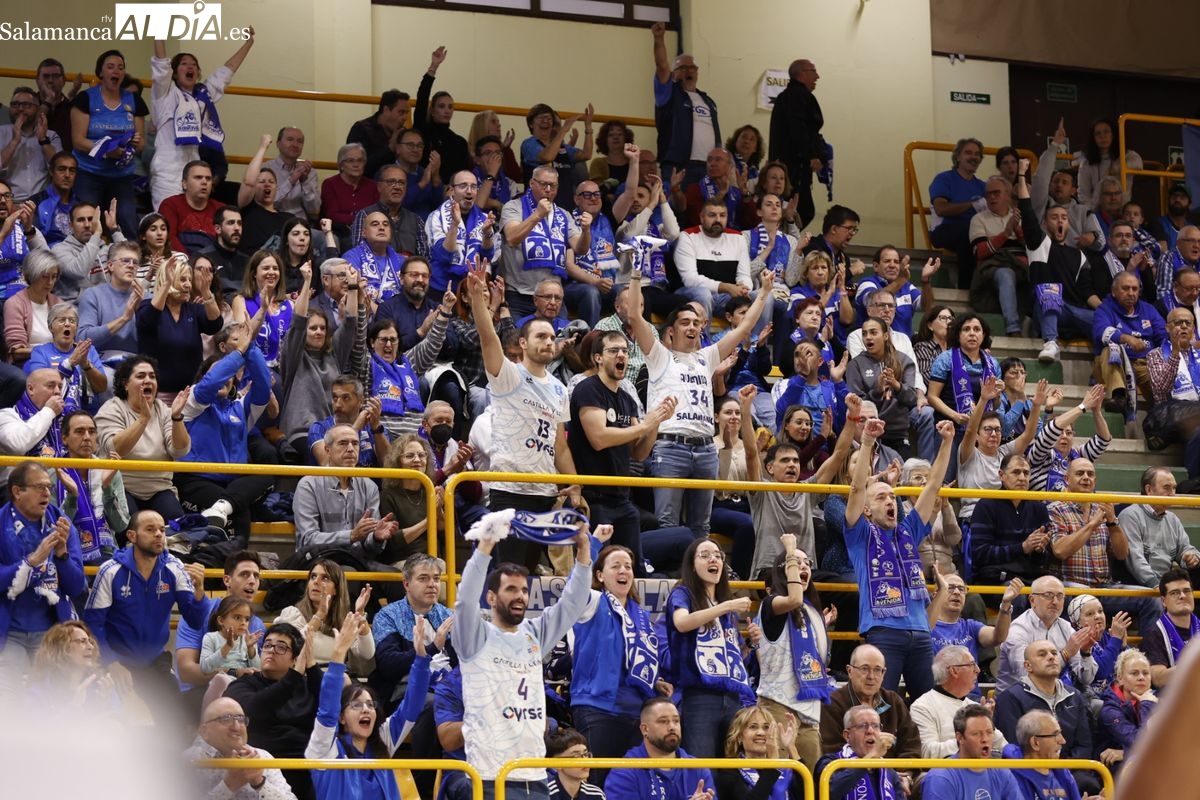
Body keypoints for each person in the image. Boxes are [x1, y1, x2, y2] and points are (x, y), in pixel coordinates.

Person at [453, 511, 592, 800]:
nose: (520, 596)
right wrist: (485, 546)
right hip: (490, 776)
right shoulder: (474, 636)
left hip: (534, 773)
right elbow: (465, 599)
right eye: (511, 589)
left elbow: (572, 604)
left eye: (524, 590)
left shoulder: (533, 634)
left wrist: (583, 551)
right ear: (491, 598)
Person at [627, 267, 772, 537]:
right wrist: (636, 275)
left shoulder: (707, 357)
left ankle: (700, 578)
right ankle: (669, 578)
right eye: (685, 322)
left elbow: (745, 327)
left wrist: (763, 292)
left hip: (706, 449)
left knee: (701, 528)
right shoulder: (660, 355)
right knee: (667, 524)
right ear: (670, 331)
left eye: (696, 323)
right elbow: (635, 315)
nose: (692, 327)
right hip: (670, 447)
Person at [462, 260, 583, 569]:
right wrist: (479, 300)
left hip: (545, 491)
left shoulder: (559, 388)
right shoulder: (509, 376)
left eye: (551, 337)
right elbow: (489, 339)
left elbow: (561, 446)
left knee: (533, 580)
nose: (547, 342)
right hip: (510, 490)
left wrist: (575, 485)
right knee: (508, 574)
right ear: (523, 343)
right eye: (540, 337)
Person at [843, 410, 956, 700]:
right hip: (883, 632)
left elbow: (932, 486)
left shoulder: (909, 530)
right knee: (879, 705)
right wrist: (867, 442)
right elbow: (857, 488)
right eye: (880, 497)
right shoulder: (860, 534)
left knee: (924, 708)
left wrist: (946, 443)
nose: (890, 500)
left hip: (920, 634)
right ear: (866, 510)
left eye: (892, 496)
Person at [570, 328, 675, 574]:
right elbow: (599, 438)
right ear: (598, 358)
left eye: (626, 351)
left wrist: (656, 422)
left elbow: (638, 453)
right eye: (614, 350)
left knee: (632, 569)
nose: (622, 356)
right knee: (595, 569)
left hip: (622, 499)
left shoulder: (627, 399)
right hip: (594, 497)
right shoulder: (588, 389)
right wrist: (646, 425)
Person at [567, 542, 669, 786]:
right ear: (600, 575)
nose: (624, 571)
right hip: (597, 708)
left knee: (632, 786)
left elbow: (634, 659)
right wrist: (591, 543)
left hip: (635, 713)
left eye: (628, 566)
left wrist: (655, 681)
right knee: (595, 785)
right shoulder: (592, 603)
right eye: (615, 566)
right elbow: (574, 588)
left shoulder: (640, 615)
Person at [306, 611, 431, 800]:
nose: (366, 709)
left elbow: (411, 707)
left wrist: (421, 658)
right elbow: (326, 711)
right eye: (356, 705)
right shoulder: (325, 747)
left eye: (370, 705)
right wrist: (339, 654)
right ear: (341, 717)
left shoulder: (383, 740)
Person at [83, 509, 207, 692]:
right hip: (116, 659)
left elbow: (195, 621)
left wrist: (199, 591)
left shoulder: (175, 568)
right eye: (150, 529)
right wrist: (111, 662)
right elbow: (92, 624)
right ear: (132, 536)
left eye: (161, 530)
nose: (158, 534)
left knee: (175, 712)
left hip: (155, 660)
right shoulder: (110, 570)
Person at [176, 319, 275, 546]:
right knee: (239, 512)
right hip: (197, 480)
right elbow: (211, 382)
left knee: (267, 475)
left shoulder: (240, 408)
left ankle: (223, 508)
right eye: (219, 373)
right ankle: (232, 566)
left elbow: (262, 386)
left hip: (233, 482)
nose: (223, 379)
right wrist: (238, 351)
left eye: (228, 376)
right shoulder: (193, 403)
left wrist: (250, 347)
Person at [743, 387, 857, 579]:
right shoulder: (762, 490)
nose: (792, 465)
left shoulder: (807, 489)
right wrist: (745, 410)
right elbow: (751, 454)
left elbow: (838, 455)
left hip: (806, 571)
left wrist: (853, 417)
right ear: (770, 468)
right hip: (770, 572)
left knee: (842, 588)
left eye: (796, 461)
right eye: (785, 461)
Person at [664, 537, 757, 759]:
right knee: (703, 768)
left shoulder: (724, 604)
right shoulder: (683, 593)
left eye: (718, 555)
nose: (713, 559)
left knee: (733, 770)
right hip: (699, 695)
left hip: (732, 696)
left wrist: (749, 645)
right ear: (692, 566)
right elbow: (682, 623)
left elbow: (732, 659)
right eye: (705, 555)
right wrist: (727, 606)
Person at [1048, 457, 1161, 638]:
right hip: (1072, 587)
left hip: (1105, 587)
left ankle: (1151, 659)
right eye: (1080, 474)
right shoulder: (1056, 508)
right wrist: (1092, 524)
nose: (1086, 477)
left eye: (1090, 474)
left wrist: (1113, 522)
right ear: (1067, 480)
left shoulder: (1101, 508)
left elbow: (1122, 554)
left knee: (1152, 599)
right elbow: (1060, 551)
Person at [0, 460, 86, 694]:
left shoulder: (62, 524)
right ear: (18, 491)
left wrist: (62, 555)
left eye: (49, 487)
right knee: (8, 705)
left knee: (52, 704)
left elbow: (77, 586)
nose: (47, 493)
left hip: (50, 633)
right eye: (39, 487)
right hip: (8, 634)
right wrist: (31, 562)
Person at [753, 534, 834, 771]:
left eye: (807, 563)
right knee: (778, 779)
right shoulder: (771, 603)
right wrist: (789, 550)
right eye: (796, 563)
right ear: (783, 571)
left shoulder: (814, 613)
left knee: (809, 783)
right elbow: (794, 598)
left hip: (809, 710)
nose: (803, 567)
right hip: (777, 704)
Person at [150, 33, 256, 209]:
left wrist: (249, 43)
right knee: (166, 223)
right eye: (184, 64)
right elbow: (161, 63)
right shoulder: (165, 94)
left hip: (195, 172)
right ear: (174, 73)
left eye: (194, 65)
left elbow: (226, 72)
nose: (190, 67)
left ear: (198, 73)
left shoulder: (204, 95)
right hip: (167, 172)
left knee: (193, 222)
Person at [223, 622, 323, 800]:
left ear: (295, 659)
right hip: (259, 772)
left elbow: (330, 705)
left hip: (307, 770)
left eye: (281, 647)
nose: (271, 650)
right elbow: (253, 710)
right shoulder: (244, 684)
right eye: (267, 645)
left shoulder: (306, 687)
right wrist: (295, 675)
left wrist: (311, 664)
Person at [278, 260, 363, 458]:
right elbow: (297, 322)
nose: (318, 332)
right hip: (301, 432)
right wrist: (307, 281)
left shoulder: (334, 355)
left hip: (332, 431)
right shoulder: (294, 358)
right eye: (313, 328)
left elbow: (350, 323)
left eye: (323, 328)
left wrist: (352, 286)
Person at [94, 356, 191, 524]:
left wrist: (176, 418)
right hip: (122, 486)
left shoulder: (163, 409)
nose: (148, 380)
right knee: (130, 527)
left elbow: (180, 450)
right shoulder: (112, 408)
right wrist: (143, 419)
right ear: (125, 384)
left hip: (159, 488)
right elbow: (115, 449)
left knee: (177, 528)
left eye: (152, 376)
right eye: (141, 376)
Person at [993, 640, 1097, 794]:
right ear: (1027, 666)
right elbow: (1014, 747)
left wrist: (1062, 767)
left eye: (1054, 653)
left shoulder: (1074, 695)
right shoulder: (1010, 698)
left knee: (1089, 784)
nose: (1051, 657)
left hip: (1070, 768)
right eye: (1042, 654)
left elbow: (1084, 744)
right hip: (1028, 770)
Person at [69, 51, 146, 238]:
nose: (116, 71)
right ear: (100, 72)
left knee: (127, 222)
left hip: (121, 175)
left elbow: (141, 143)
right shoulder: (85, 99)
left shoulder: (134, 100)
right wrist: (106, 151)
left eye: (120, 67)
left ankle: (130, 263)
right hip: (90, 173)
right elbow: (78, 141)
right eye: (110, 67)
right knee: (87, 223)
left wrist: (131, 146)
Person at [498, 163, 585, 320]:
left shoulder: (563, 215)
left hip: (552, 296)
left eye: (553, 186)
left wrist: (586, 230)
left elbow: (581, 248)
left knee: (559, 341)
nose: (548, 190)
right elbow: (511, 237)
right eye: (544, 184)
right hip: (519, 295)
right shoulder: (513, 207)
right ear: (532, 183)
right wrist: (537, 215)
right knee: (517, 342)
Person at [174, 550, 265, 696]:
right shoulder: (199, 613)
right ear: (227, 580)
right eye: (244, 574)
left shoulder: (258, 625)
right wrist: (233, 673)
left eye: (256, 576)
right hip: (197, 691)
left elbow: (258, 670)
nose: (252, 581)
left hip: (241, 692)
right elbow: (186, 671)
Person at [370, 553, 452, 707]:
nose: (432, 584)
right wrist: (431, 649)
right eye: (423, 578)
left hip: (448, 686)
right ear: (406, 584)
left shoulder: (448, 615)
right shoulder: (388, 616)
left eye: (436, 578)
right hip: (404, 690)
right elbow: (388, 665)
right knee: (440, 704)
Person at [50, 410, 127, 566]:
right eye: (79, 431)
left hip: (107, 553)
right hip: (66, 553)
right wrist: (72, 496)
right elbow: (53, 531)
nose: (86, 437)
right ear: (64, 438)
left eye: (91, 432)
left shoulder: (110, 470)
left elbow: (121, 525)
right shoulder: (52, 473)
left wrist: (107, 488)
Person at [185, 695, 298, 800]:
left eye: (240, 719)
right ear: (204, 731)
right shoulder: (189, 761)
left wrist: (259, 782)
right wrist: (229, 785)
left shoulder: (263, 757)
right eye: (226, 719)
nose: (236, 727)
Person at [818, 643, 922, 757]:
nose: (871, 676)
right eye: (864, 669)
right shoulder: (832, 703)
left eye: (877, 670)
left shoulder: (893, 701)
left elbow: (911, 744)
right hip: (853, 773)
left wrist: (905, 772)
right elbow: (833, 753)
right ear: (849, 671)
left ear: (884, 673)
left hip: (897, 772)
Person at [651, 22, 720, 189]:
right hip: (679, 167)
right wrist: (659, 39)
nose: (689, 71)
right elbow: (661, 66)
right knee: (676, 211)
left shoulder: (709, 101)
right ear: (674, 73)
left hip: (708, 169)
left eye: (692, 68)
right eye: (683, 68)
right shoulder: (669, 95)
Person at [604, 696, 716, 800]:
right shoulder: (624, 772)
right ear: (645, 729)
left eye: (676, 721)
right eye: (663, 721)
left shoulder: (698, 770)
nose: (672, 727)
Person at [276, 558, 376, 673]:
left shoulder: (343, 620)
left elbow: (367, 653)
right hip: (302, 677)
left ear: (336, 590)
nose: (316, 582)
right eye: (313, 577)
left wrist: (360, 614)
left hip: (333, 677)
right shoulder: (292, 613)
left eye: (325, 578)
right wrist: (319, 615)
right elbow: (294, 647)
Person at [969, 453, 1054, 585]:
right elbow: (981, 554)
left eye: (1026, 473)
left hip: (1031, 576)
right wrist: (1022, 548)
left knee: (1057, 592)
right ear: (1002, 475)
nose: (1022, 478)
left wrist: (1039, 550)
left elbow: (1045, 560)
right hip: (996, 578)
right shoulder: (985, 505)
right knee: (1015, 593)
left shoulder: (1039, 508)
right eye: (1016, 472)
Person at [910, 647, 1008, 757]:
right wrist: (969, 737)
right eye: (971, 664)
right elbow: (927, 751)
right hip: (945, 771)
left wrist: (987, 723)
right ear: (954, 671)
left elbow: (1003, 747)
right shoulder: (922, 707)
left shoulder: (973, 706)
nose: (978, 670)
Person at [927, 571, 1020, 684]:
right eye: (950, 588)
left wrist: (1006, 604)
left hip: (970, 697)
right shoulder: (926, 626)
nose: (957, 592)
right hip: (937, 694)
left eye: (961, 589)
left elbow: (998, 636)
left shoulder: (970, 626)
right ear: (936, 594)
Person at [1093, 271, 1164, 411]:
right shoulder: (1104, 309)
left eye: (1135, 289)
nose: (1131, 293)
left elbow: (1162, 334)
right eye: (1125, 288)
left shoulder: (1148, 309)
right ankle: (1118, 397)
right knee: (1110, 350)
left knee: (1166, 381)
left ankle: (1162, 411)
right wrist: (1125, 338)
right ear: (1114, 291)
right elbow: (1100, 331)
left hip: (1146, 364)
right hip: (1118, 365)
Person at [920, 704, 1020, 800]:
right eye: (976, 734)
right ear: (959, 737)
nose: (985, 739)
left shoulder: (1002, 773)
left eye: (989, 732)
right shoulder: (941, 777)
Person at [1119, 468, 1200, 587]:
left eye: (1174, 488)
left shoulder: (1172, 519)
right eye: (1167, 488)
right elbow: (1136, 562)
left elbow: (1185, 548)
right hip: (1142, 585)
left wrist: (1191, 557)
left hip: (1167, 585)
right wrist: (1160, 589)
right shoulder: (1130, 516)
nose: (1173, 494)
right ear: (1149, 490)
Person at [768, 59, 825, 228]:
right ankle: (785, 238)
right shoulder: (798, 96)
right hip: (795, 166)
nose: (817, 76)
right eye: (813, 71)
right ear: (802, 74)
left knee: (801, 208)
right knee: (803, 208)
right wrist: (812, 154)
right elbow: (799, 128)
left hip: (791, 164)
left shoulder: (788, 97)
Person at [814, 705, 911, 800]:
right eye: (862, 726)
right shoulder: (830, 763)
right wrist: (871, 757)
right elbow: (831, 791)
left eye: (875, 726)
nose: (870, 731)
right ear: (847, 736)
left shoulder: (889, 771)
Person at [426, 170, 499, 294]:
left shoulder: (484, 218)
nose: (469, 191)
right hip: (442, 287)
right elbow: (443, 255)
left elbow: (487, 256)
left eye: (474, 187)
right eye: (463, 186)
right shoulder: (436, 217)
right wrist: (454, 225)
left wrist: (487, 232)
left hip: (473, 289)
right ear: (451, 190)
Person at [26, 303, 106, 412]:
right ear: (50, 327)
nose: (67, 324)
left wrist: (86, 365)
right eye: (62, 320)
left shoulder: (88, 350)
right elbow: (40, 385)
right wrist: (70, 362)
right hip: (55, 414)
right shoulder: (40, 352)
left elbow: (102, 387)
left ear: (76, 328)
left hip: (88, 416)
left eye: (72, 321)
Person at [77, 240, 143, 373]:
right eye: (125, 261)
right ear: (111, 266)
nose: (131, 266)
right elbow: (82, 338)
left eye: (135, 262)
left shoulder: (145, 298)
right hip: (100, 362)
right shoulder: (93, 294)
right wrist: (124, 318)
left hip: (137, 365)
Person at [929, 138, 985, 289]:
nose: (973, 157)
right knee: (968, 231)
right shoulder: (944, 179)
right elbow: (941, 209)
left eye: (977, 154)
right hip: (944, 230)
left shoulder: (982, 186)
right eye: (968, 153)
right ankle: (965, 288)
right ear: (958, 156)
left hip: (973, 233)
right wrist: (972, 205)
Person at [714, 704, 803, 800]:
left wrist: (791, 748)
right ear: (739, 736)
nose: (761, 733)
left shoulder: (786, 770)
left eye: (766, 727)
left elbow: (807, 795)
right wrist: (772, 763)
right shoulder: (729, 774)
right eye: (753, 727)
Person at [1009, 709, 1094, 800]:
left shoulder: (1062, 771)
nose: (1063, 741)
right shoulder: (1012, 777)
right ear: (1035, 742)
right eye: (1055, 735)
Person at [1095, 648, 1156, 772]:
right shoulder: (1110, 710)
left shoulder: (1158, 700)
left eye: (1145, 673)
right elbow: (1139, 742)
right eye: (1134, 673)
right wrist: (1148, 705)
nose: (1141, 678)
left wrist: (1124, 753)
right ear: (1120, 678)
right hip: (1118, 770)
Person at [352, 164, 429, 260]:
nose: (397, 187)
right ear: (379, 186)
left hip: (409, 271)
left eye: (401, 183)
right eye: (391, 182)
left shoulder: (415, 219)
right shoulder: (366, 215)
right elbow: (359, 253)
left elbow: (424, 257)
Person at [0, 86, 61, 204]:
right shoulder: (1, 132)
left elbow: (59, 167)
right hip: (8, 203)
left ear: (38, 109)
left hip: (42, 203)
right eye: (15, 105)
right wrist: (14, 141)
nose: (20, 109)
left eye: (26, 105)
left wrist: (43, 140)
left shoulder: (51, 135)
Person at [4, 249, 64, 366]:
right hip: (28, 361)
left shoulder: (59, 304)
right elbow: (16, 352)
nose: (50, 282)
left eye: (54, 276)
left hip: (58, 360)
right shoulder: (14, 304)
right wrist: (49, 353)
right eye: (45, 276)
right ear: (31, 275)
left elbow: (68, 340)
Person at [1142, 566, 1199, 688]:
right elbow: (1158, 678)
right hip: (1176, 700)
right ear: (1163, 601)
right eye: (1174, 593)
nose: (1182, 596)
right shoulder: (1155, 633)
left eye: (1187, 591)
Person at [158, 160, 225, 254]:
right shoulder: (170, 205)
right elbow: (168, 238)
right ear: (184, 184)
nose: (204, 182)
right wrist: (191, 262)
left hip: (214, 262)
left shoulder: (221, 209)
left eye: (208, 179)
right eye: (198, 177)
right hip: (181, 262)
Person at [1077, 118, 1143, 210]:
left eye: (1106, 132)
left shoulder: (1128, 155)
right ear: (1093, 138)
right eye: (1098, 133)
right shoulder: (1087, 162)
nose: (1102, 136)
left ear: (1113, 135)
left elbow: (1138, 165)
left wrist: (1114, 170)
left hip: (1122, 211)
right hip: (1097, 212)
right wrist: (1092, 213)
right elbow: (1083, 194)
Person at [347, 89, 410, 178]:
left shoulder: (402, 132)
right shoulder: (361, 129)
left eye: (406, 113)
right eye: (401, 112)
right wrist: (390, 149)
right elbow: (359, 166)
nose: (405, 118)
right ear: (386, 109)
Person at [267, 126, 320, 220]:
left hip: (301, 226)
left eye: (299, 141)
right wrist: (291, 181)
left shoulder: (309, 172)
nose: (295, 144)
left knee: (324, 235)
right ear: (278, 144)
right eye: (290, 139)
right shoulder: (267, 169)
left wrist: (305, 182)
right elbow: (267, 203)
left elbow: (314, 209)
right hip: (273, 222)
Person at [199, 596, 262, 676]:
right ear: (221, 620)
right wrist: (227, 646)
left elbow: (258, 669)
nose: (243, 623)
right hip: (220, 682)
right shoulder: (210, 638)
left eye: (247, 619)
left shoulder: (248, 640)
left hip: (243, 683)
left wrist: (250, 648)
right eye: (237, 617)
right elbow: (205, 668)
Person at [32, 151, 79, 246]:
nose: (67, 175)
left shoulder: (80, 205)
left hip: (77, 253)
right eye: (62, 169)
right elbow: (33, 238)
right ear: (51, 172)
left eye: (72, 170)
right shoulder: (36, 203)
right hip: (46, 254)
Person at [545, 728, 607, 800]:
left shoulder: (596, 794)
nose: (585, 760)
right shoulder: (544, 794)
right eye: (576, 756)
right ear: (556, 763)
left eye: (586, 754)